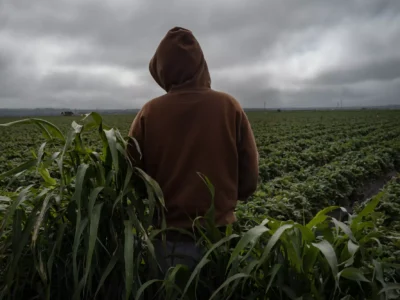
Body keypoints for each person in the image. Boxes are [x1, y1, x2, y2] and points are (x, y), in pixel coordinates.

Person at [127, 27, 259, 273]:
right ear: (201, 65)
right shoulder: (229, 107)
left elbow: (132, 177)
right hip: (219, 238)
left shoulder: (149, 112)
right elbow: (250, 177)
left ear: (161, 70)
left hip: (167, 242)